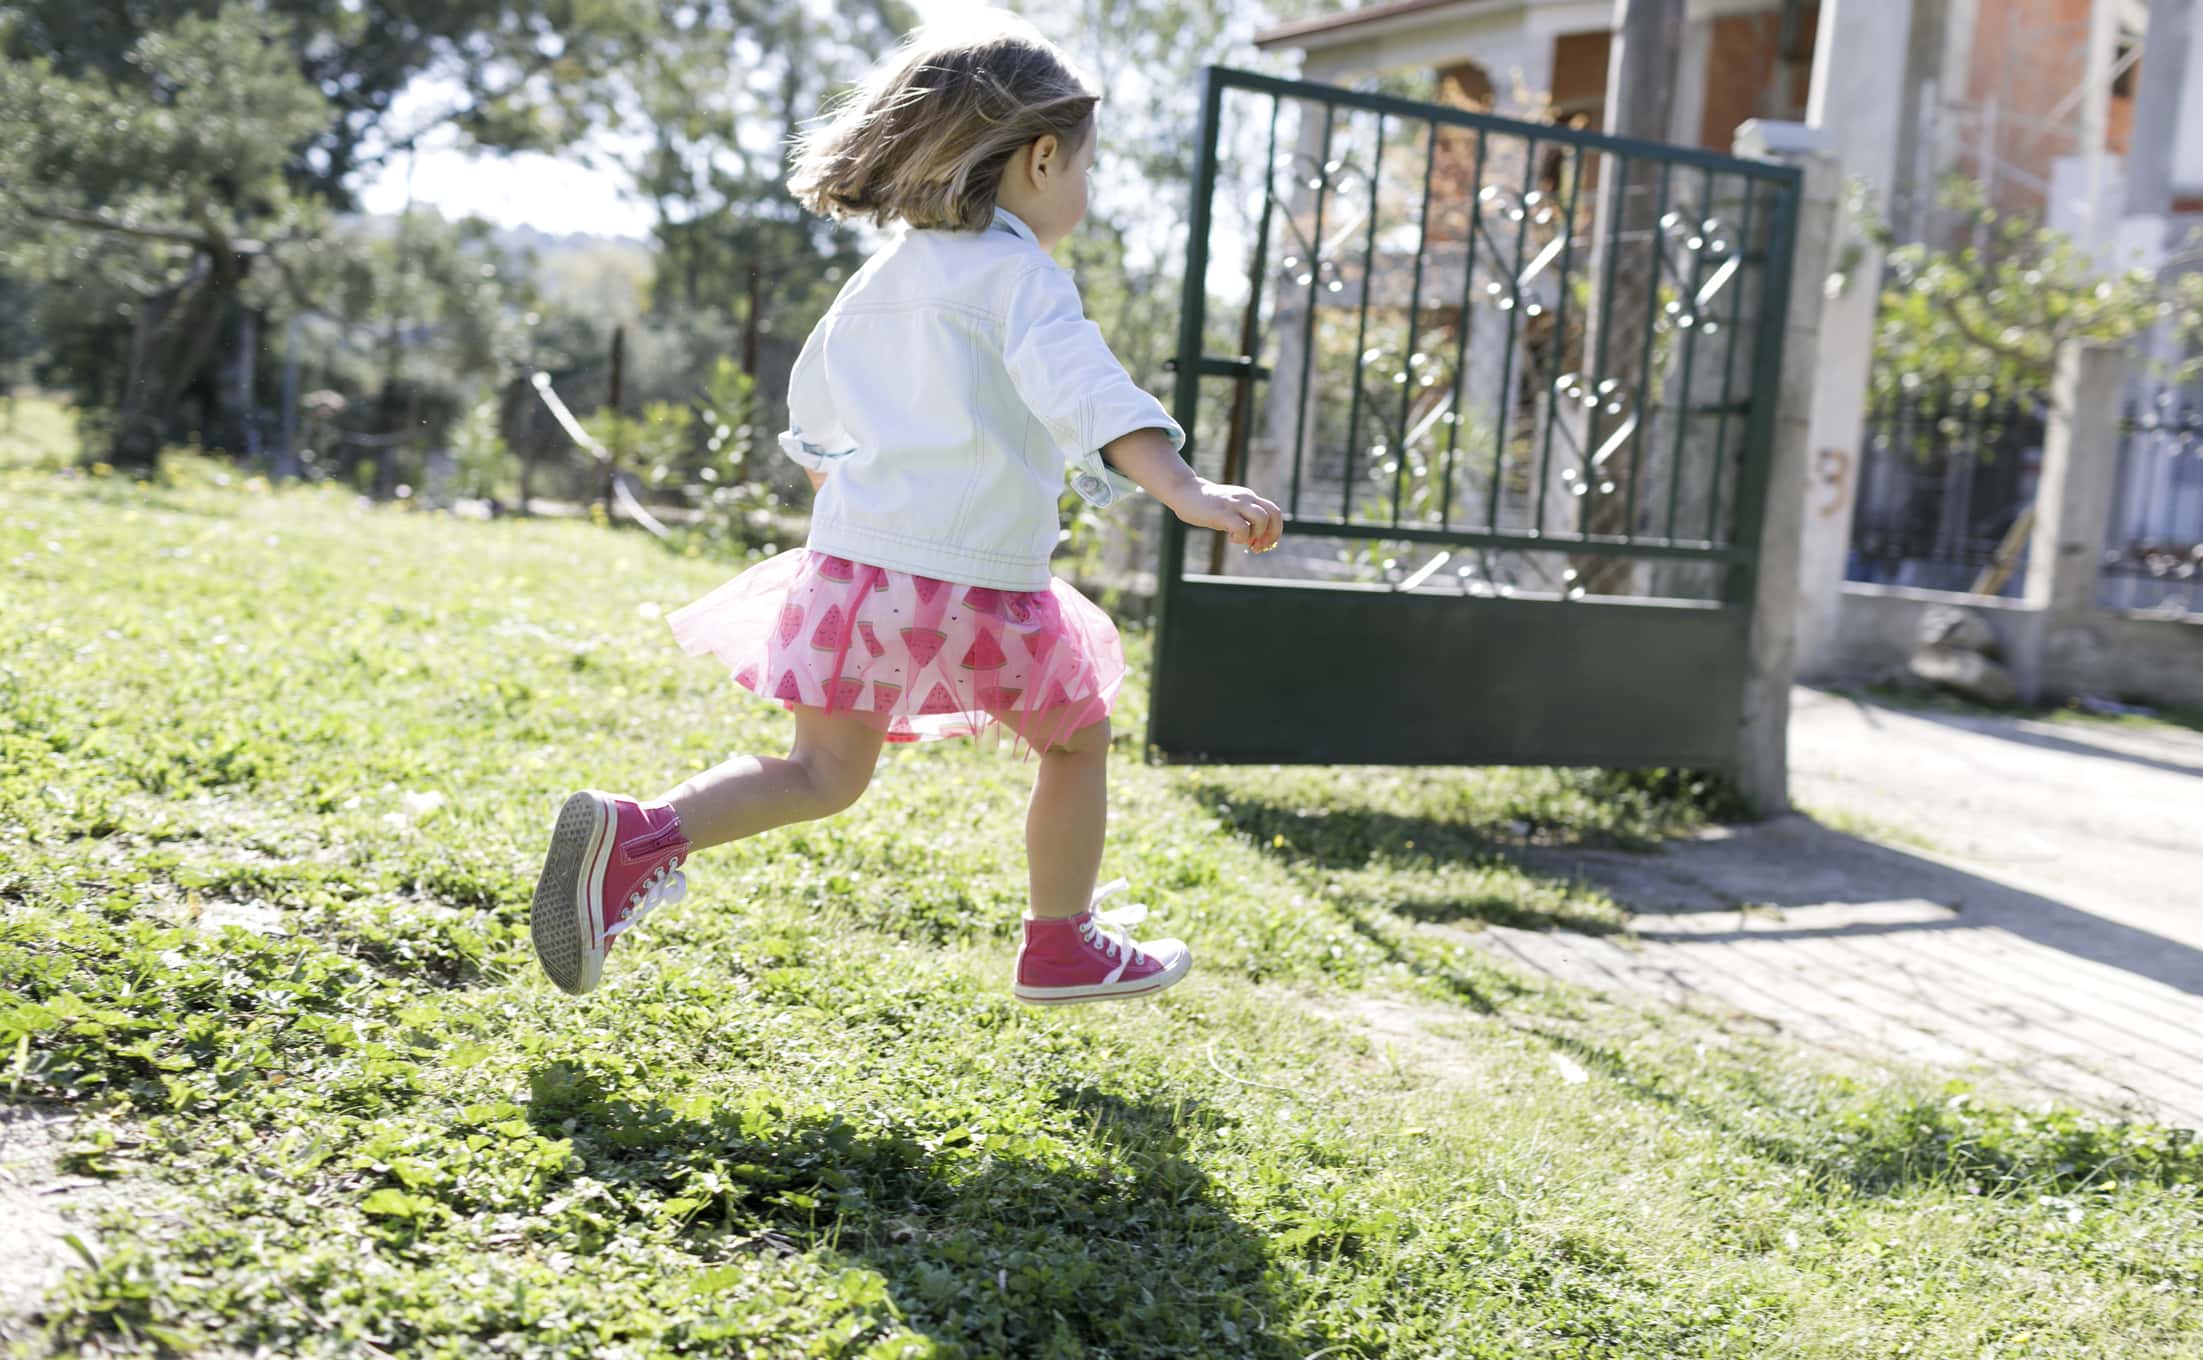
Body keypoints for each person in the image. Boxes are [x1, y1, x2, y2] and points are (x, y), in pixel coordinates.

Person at [527, 10, 1282, 1006]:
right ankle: (1060, 942)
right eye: (1087, 170)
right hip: (975, 580)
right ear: (1042, 158)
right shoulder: (1020, 278)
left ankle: (640, 834)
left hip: (855, 573)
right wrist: (1185, 487)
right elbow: (1089, 393)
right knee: (1074, 739)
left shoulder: (879, 279)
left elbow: (816, 422)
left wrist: (854, 511)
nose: (1087, 194)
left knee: (820, 774)